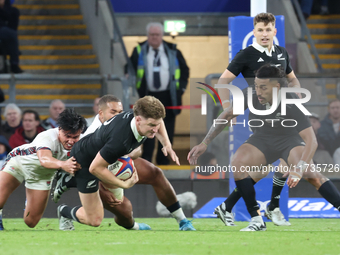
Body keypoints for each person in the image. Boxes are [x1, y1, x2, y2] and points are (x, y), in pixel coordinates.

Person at [189, 65, 340, 230]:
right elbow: (226, 115)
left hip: (289, 140)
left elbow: (312, 140)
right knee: (238, 163)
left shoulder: (291, 101)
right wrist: (204, 143)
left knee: (311, 174)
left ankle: (241, 206)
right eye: (256, 86)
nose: (258, 91)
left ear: (276, 87)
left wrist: (298, 169)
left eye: (263, 87)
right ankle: (256, 219)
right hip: (261, 139)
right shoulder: (251, 95)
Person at [52, 95, 195, 231]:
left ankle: (182, 220)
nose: (155, 129)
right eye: (152, 125)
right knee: (97, 219)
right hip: (86, 164)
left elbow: (159, 121)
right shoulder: (119, 140)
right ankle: (65, 208)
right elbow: (95, 168)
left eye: (156, 124)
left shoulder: (144, 119)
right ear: (138, 120)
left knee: (155, 173)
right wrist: (123, 184)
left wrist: (166, 144)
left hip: (110, 159)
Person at [215, 12, 301, 225]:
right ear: (253, 32)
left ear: (275, 31)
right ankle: (271, 207)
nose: (264, 34)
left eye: (268, 29)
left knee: (265, 168)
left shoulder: (281, 53)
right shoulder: (246, 55)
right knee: (284, 157)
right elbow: (222, 81)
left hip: (282, 114)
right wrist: (228, 108)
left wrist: (296, 94)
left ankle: (228, 206)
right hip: (262, 116)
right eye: (260, 30)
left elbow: (293, 80)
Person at [0, 109, 86, 230]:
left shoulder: (84, 140)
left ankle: (29, 200)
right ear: (60, 129)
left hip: (42, 175)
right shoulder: (47, 137)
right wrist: (64, 165)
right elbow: (44, 160)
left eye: (75, 137)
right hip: (19, 163)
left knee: (31, 222)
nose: (71, 141)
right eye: (67, 136)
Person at [128, 22, 189, 165]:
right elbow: (129, 69)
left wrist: (182, 90)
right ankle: (147, 161)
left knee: (167, 129)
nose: (154, 37)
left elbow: (185, 70)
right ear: (147, 35)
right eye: (151, 35)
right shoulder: (139, 51)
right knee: (147, 129)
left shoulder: (173, 50)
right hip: (147, 97)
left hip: (169, 97)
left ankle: (164, 161)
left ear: (162, 36)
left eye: (157, 35)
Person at [0, 0, 23, 73]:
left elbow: (13, 26)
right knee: (11, 34)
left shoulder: (14, 11)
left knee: (11, 34)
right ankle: (14, 64)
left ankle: (13, 64)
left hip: (7, 37)